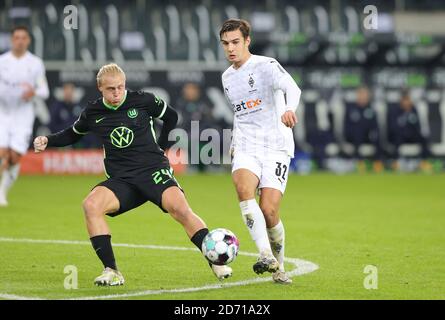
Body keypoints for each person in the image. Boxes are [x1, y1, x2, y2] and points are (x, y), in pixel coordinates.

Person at [33, 63, 232, 286]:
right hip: (122, 180)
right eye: (111, 89)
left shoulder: (143, 100)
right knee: (91, 206)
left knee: (180, 209)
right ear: (100, 88)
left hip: (153, 171)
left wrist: (163, 148)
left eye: (120, 87)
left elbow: (171, 117)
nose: (117, 92)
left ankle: (215, 259)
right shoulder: (93, 112)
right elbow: (72, 134)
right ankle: (112, 271)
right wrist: (48, 140)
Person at [219, 19, 301, 284]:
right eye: (225, 44)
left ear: (247, 41)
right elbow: (239, 113)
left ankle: (280, 266)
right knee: (243, 189)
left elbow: (292, 87)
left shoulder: (266, 66)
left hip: (276, 145)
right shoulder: (227, 77)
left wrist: (290, 108)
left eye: (235, 42)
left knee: (269, 211)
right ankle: (264, 253)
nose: (230, 49)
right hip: (246, 144)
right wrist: (234, 144)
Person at [0, 25, 49, 206]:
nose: (20, 41)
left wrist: (33, 92)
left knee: (13, 157)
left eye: (24, 38)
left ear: (28, 40)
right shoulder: (2, 61)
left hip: (23, 115)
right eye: (17, 37)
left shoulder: (35, 63)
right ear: (12, 40)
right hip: (2, 113)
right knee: (1, 152)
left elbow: (44, 90)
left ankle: (2, 192)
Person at [387, 90, 430, 160]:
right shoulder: (394, 110)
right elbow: (392, 128)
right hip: (400, 135)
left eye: (408, 100)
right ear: (401, 100)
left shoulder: (413, 110)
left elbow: (417, 126)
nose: (407, 102)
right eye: (405, 100)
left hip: (411, 135)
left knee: (424, 139)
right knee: (396, 140)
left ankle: (424, 161)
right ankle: (395, 161)